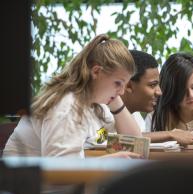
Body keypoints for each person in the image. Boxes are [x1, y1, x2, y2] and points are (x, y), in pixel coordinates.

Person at [4, 34, 142, 158]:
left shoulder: (97, 106)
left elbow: (135, 145)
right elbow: (61, 171)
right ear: (96, 72)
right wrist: (110, 161)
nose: (122, 92)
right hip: (28, 185)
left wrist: (115, 99)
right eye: (118, 83)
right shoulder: (66, 105)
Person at [121, 50, 193, 145]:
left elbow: (134, 142)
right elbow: (118, 143)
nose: (159, 92)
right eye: (152, 85)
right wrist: (169, 135)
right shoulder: (106, 110)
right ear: (128, 86)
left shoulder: (136, 118)